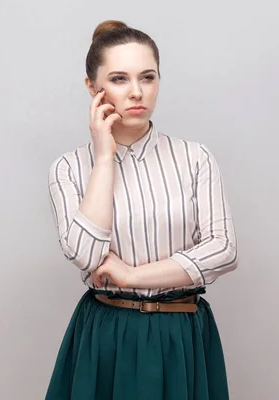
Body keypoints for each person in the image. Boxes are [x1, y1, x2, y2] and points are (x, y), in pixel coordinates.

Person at [45, 20, 239, 399]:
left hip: (179, 332)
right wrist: (104, 158)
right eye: (119, 79)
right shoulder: (68, 168)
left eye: (147, 77)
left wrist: (131, 276)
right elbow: (83, 255)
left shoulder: (194, 158)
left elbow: (224, 249)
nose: (137, 92)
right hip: (106, 332)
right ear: (92, 87)